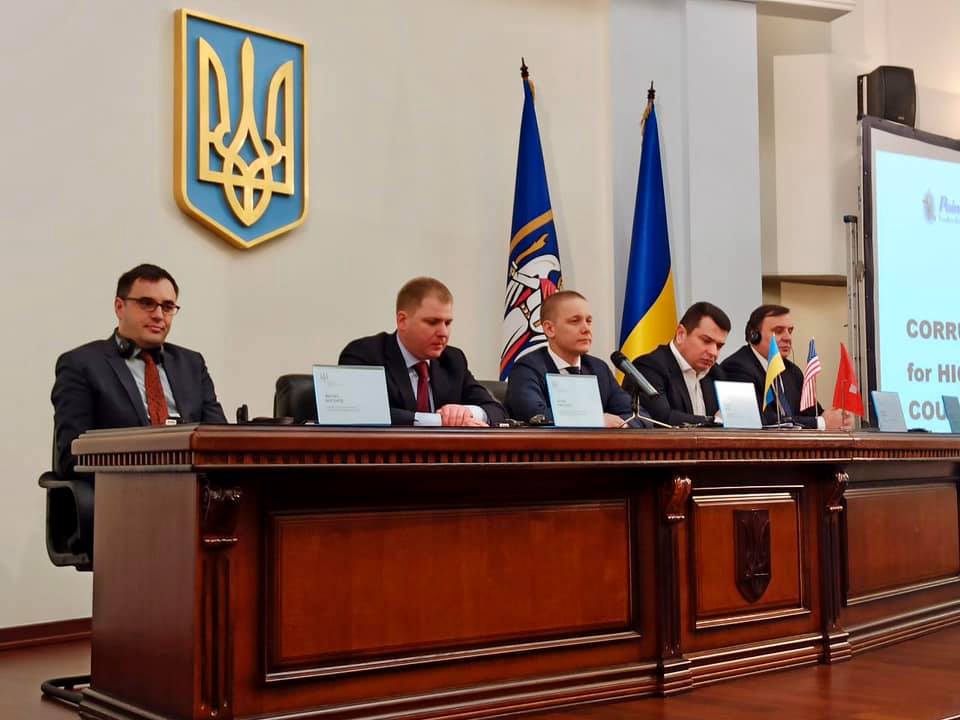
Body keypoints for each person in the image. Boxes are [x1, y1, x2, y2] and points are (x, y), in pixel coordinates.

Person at [52, 264, 226, 477]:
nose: (159, 315)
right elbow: (72, 455)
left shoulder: (192, 364)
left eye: (167, 307)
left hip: (195, 485)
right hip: (125, 486)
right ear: (119, 307)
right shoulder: (82, 364)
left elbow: (220, 440)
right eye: (147, 304)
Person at [339, 277, 507, 426]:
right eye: (432, 322)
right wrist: (439, 421)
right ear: (402, 321)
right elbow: (360, 412)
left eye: (448, 323)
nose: (443, 333)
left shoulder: (453, 360)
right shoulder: (365, 355)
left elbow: (496, 411)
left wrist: (467, 413)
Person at [505, 290, 645, 427]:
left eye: (588, 321)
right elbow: (535, 415)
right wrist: (595, 420)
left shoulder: (598, 368)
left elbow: (638, 416)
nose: (586, 329)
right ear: (549, 329)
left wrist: (623, 425)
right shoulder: (527, 368)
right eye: (575, 321)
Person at [720, 304, 851, 430]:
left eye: (790, 331)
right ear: (754, 335)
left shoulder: (793, 371)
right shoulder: (736, 367)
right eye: (778, 331)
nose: (788, 338)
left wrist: (835, 417)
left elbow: (813, 412)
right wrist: (820, 423)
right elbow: (761, 421)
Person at [627, 302, 730, 426]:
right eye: (706, 341)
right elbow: (662, 419)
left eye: (719, 346)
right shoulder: (649, 367)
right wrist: (715, 421)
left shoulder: (716, 373)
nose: (713, 352)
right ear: (681, 334)